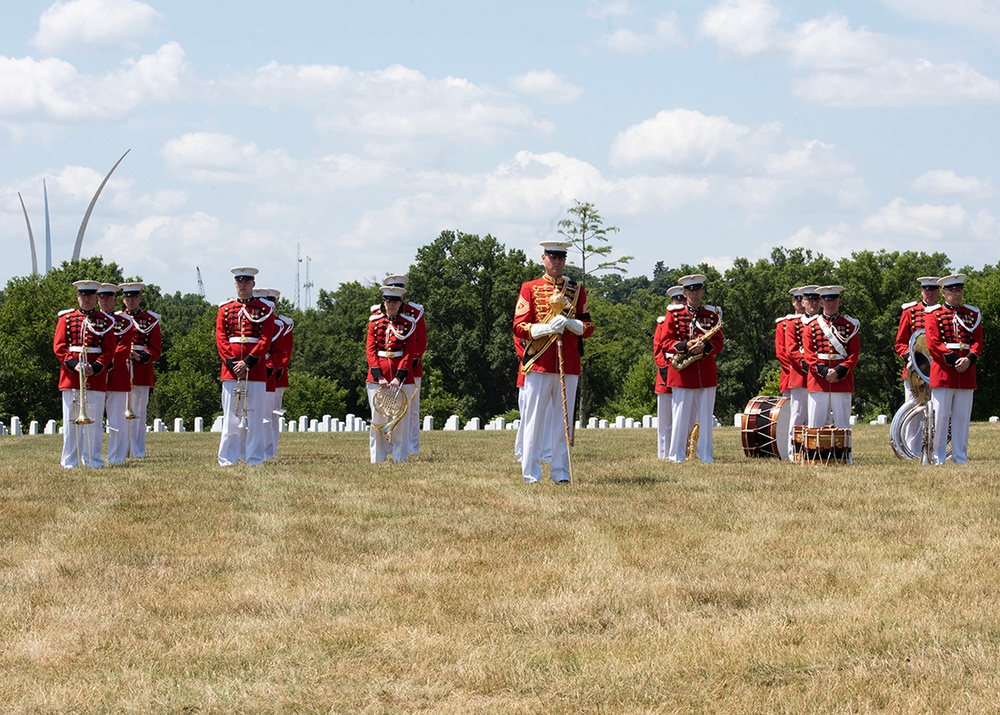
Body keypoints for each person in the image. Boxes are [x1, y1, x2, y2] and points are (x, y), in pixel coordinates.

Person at [513, 240, 594, 484]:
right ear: (543, 258)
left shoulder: (577, 290)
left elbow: (588, 326)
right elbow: (519, 326)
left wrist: (570, 324)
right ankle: (531, 474)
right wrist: (545, 328)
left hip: (567, 363)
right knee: (534, 421)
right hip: (538, 363)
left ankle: (561, 472)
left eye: (560, 257)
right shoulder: (530, 287)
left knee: (563, 421)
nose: (556, 261)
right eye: (552, 256)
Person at [53, 279, 116, 468]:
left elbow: (109, 349)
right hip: (71, 375)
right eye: (83, 295)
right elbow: (59, 347)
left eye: (90, 296)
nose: (86, 299)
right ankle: (69, 461)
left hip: (94, 376)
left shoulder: (105, 321)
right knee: (70, 421)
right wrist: (75, 365)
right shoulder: (66, 318)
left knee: (95, 421)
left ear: (96, 297)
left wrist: (96, 367)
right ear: (77, 297)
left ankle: (93, 460)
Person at [216, 267, 275, 467]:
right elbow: (221, 338)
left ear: (253, 284)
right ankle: (227, 458)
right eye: (239, 282)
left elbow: (266, 339)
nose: (243, 285)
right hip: (231, 370)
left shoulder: (265, 309)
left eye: (246, 282)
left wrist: (249, 361)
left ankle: (254, 459)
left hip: (255, 369)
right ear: (235, 284)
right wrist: (232, 362)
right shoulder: (225, 309)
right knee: (231, 416)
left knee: (255, 416)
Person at [662, 274, 723, 463]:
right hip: (682, 372)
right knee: (679, 416)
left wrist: (704, 347)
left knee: (705, 417)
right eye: (690, 290)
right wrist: (686, 346)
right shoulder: (674, 314)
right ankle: (676, 455)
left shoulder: (711, 315)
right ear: (684, 292)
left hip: (704, 370)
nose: (694, 293)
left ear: (703, 291)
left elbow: (719, 342)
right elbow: (665, 342)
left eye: (697, 290)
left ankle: (706, 456)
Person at [924, 274, 983, 465]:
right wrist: (953, 359)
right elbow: (933, 342)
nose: (957, 294)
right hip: (944, 371)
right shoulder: (934, 314)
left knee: (962, 419)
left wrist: (969, 359)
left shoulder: (972, 314)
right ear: (944, 293)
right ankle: (937, 457)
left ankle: (960, 457)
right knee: (940, 418)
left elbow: (977, 341)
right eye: (952, 291)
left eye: (959, 290)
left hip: (966, 370)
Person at [366, 283, 418, 463]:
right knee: (377, 418)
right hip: (377, 377)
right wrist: (379, 376)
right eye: (389, 301)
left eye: (396, 301)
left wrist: (399, 377)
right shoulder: (375, 322)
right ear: (384, 302)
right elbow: (370, 350)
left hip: (402, 378)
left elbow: (409, 352)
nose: (392, 305)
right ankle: (377, 458)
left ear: (400, 302)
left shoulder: (409, 324)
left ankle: (400, 457)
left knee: (401, 420)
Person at [894, 276, 940, 455]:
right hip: (915, 370)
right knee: (914, 410)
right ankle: (912, 450)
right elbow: (900, 343)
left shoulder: (945, 312)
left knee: (938, 411)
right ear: (921, 291)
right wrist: (911, 359)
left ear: (939, 292)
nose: (929, 293)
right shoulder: (911, 311)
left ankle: (934, 449)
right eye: (926, 290)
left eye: (933, 290)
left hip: (939, 369)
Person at [382, 275, 427, 456]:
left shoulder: (414, 312)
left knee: (412, 409)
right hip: (389, 368)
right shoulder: (382, 314)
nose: (395, 301)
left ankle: (412, 447)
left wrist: (413, 359)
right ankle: (388, 445)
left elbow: (421, 340)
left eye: (398, 295)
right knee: (387, 407)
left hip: (411, 367)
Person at [802, 285, 859, 429]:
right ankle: (815, 452)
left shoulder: (850, 326)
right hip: (818, 380)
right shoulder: (811, 326)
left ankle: (845, 452)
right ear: (821, 303)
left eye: (834, 300)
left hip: (842, 379)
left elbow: (854, 353)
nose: (831, 304)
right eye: (827, 301)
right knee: (815, 424)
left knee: (842, 425)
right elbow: (809, 354)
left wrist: (839, 371)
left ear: (840, 302)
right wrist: (824, 371)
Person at [119, 282, 162, 458]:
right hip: (121, 369)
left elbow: (156, 348)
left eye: (134, 297)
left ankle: (136, 450)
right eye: (127, 297)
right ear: (123, 299)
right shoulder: (116, 319)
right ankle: (121, 448)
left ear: (140, 298)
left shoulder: (150, 320)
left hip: (141, 369)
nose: (130, 301)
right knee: (119, 412)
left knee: (138, 412)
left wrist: (141, 356)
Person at [97, 283, 134, 464]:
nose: (105, 301)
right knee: (94, 417)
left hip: (116, 373)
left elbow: (124, 347)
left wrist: (107, 364)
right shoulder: (91, 321)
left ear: (115, 299)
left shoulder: (125, 322)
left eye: (108, 297)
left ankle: (116, 456)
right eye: (101, 297)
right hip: (94, 375)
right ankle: (91, 454)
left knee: (117, 419)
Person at [784, 285, 820, 458]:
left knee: (818, 416)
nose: (812, 303)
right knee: (797, 416)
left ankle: (815, 450)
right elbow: (791, 350)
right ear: (802, 302)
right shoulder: (793, 323)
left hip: (820, 377)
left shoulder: (825, 323)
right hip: (801, 375)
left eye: (815, 300)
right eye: (808, 300)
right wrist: (809, 366)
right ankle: (794, 452)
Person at [653, 285, 685, 459]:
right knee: (666, 422)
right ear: (672, 302)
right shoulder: (663, 323)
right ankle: (664, 453)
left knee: (687, 419)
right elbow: (658, 352)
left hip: (687, 377)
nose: (679, 302)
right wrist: (668, 371)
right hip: (667, 376)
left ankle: (687, 451)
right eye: (677, 300)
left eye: (682, 299)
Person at [775, 286, 806, 460]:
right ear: (793, 302)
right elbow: (782, 353)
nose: (801, 303)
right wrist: (799, 369)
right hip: (792, 376)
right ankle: (790, 451)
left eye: (804, 299)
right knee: (792, 415)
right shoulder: (784, 324)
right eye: (797, 300)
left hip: (814, 377)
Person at [255, 287, 285, 461]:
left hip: (269, 374)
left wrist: (273, 368)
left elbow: (282, 351)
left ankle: (268, 450)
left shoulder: (278, 326)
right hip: (251, 372)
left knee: (268, 416)